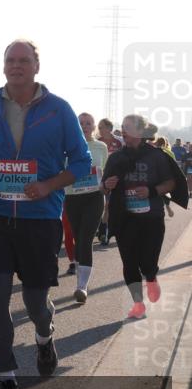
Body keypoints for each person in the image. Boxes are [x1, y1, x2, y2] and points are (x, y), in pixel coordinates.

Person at [0, 40, 91, 389]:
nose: (16, 66)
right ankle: (7, 379)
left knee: (36, 302)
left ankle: (44, 335)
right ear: (3, 67)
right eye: (10, 60)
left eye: (23, 60)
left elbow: (81, 162)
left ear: (36, 65)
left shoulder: (58, 110)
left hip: (40, 218)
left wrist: (48, 185)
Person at [103, 116, 188, 319]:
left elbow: (171, 183)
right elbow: (103, 185)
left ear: (140, 132)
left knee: (148, 262)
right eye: (122, 127)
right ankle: (138, 304)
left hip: (152, 218)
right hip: (125, 218)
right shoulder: (115, 158)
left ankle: (151, 277)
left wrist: (151, 190)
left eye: (128, 128)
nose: (122, 130)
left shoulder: (156, 156)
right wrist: (108, 184)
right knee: (129, 264)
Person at [63, 113, 109, 303]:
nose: (84, 126)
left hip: (94, 198)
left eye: (88, 123)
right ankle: (81, 279)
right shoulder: (66, 148)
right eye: (81, 123)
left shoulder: (101, 147)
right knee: (77, 238)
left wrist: (105, 184)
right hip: (73, 197)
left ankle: (82, 287)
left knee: (86, 239)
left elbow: (104, 172)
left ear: (94, 126)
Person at [96, 118, 123, 245]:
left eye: (101, 127)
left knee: (108, 206)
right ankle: (99, 227)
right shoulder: (97, 142)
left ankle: (103, 232)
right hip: (98, 178)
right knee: (99, 206)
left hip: (113, 179)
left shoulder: (118, 143)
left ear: (109, 128)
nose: (99, 129)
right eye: (99, 127)